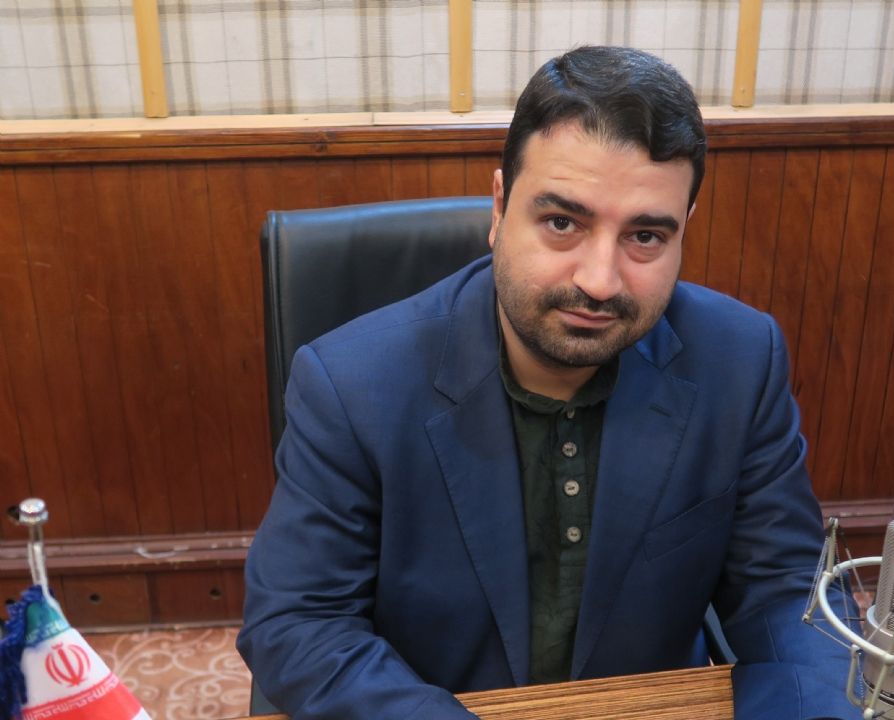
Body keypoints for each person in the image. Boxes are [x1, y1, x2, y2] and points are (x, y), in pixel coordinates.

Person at [238, 46, 858, 720]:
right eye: (563, 223)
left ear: (685, 230)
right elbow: (300, 622)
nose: (600, 280)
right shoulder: (350, 383)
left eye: (645, 237)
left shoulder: (740, 359)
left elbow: (789, 595)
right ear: (499, 208)